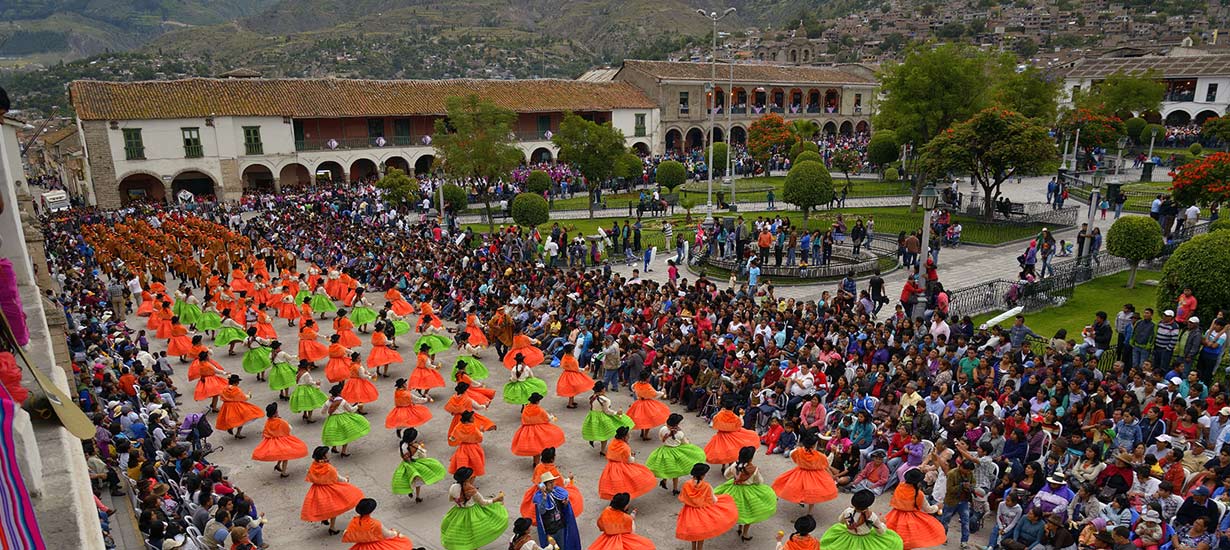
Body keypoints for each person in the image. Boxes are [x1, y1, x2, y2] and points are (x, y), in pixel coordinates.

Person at [713, 446, 778, 542]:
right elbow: (760, 481)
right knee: (749, 512)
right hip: (749, 491)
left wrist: (735, 477)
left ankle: (739, 528)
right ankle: (745, 533)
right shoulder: (754, 469)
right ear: (751, 458)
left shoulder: (734, 465)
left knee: (739, 509)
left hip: (734, 489)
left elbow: (726, 475)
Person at [440, 467, 509, 550]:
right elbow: (483, 503)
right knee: (474, 533)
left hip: (458, 511)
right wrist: (497, 499)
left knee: (462, 533)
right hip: (472, 512)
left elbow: (451, 499)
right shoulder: (472, 490)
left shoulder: (453, 487)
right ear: (468, 478)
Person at [301, 446, 364, 535]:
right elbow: (338, 478)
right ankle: (332, 527)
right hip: (329, 489)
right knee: (333, 508)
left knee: (323, 506)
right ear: (323, 457)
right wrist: (346, 480)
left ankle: (324, 518)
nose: (328, 454)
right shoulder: (329, 468)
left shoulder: (313, 466)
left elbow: (310, 476)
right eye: (327, 453)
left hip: (317, 489)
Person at [675, 463, 739, 550]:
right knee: (701, 532)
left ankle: (693, 548)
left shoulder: (686, 484)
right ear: (702, 475)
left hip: (689, 511)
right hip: (702, 512)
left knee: (694, 532)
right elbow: (714, 500)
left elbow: (682, 498)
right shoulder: (707, 486)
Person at [772, 434, 839, 515]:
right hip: (815, 475)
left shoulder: (798, 451)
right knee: (813, 495)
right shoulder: (819, 456)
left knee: (796, 487)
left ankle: (799, 500)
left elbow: (793, 456)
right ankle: (809, 512)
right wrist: (832, 453)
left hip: (800, 472)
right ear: (814, 445)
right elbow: (827, 463)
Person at [818, 489, 905, 550]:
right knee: (894, 541)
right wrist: (882, 523)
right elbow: (881, 532)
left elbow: (840, 521)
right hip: (866, 539)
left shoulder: (848, 511)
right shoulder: (872, 516)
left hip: (846, 538)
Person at [646, 413, 710, 495]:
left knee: (665, 467)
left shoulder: (663, 429)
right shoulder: (680, 433)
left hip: (665, 449)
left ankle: (664, 480)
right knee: (675, 471)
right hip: (676, 451)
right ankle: (675, 489)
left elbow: (661, 439)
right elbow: (685, 443)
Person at [883, 469, 945, 550]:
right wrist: (938, 507)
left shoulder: (899, 487)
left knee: (894, 540)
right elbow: (928, 509)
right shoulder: (919, 494)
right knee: (907, 543)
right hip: (911, 519)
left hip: (895, 516)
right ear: (918, 482)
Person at [598, 426, 658, 500]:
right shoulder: (625, 447)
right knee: (628, 486)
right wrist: (632, 456)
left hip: (611, 467)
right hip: (622, 467)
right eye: (628, 435)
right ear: (624, 437)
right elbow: (630, 460)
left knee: (614, 485)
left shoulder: (613, 442)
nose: (629, 436)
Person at [251, 402, 308, 478]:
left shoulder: (268, 422)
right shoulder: (280, 421)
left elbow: (265, 432)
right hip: (282, 440)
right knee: (285, 455)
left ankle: (278, 465)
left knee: (282, 454)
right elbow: (289, 428)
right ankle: (283, 472)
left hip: (272, 441)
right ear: (275, 413)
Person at [390, 428, 445, 503]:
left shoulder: (402, 445)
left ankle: (409, 491)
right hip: (415, 464)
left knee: (407, 478)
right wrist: (421, 448)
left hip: (405, 464)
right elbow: (423, 456)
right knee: (417, 482)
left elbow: (401, 455)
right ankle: (418, 496)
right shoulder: (416, 446)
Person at [703, 395, 760, 464]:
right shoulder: (735, 417)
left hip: (721, 435)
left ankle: (724, 464)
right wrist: (741, 415)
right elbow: (741, 424)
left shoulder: (718, 415)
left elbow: (713, 423)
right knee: (751, 436)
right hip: (733, 435)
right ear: (733, 408)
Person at [511, 393, 567, 464]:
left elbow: (523, 419)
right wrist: (554, 418)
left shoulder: (525, 409)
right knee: (540, 446)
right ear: (537, 401)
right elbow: (547, 418)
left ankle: (535, 462)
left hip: (528, 430)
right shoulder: (539, 410)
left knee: (534, 447)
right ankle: (537, 463)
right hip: (540, 429)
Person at [530, 472, 581, 550]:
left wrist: (565, 503)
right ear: (544, 485)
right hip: (549, 531)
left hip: (560, 527)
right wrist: (544, 498)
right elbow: (542, 511)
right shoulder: (540, 497)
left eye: (553, 482)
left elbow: (564, 507)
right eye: (550, 483)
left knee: (562, 547)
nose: (553, 484)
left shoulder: (557, 492)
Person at [341, 498, 415, 550]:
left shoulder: (354, 521)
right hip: (377, 546)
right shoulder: (375, 523)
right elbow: (388, 535)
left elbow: (347, 534)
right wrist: (396, 533)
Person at [582, 382, 634, 455]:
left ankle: (602, 450)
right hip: (602, 416)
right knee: (606, 433)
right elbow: (607, 411)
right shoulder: (605, 400)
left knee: (601, 433)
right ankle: (604, 450)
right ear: (603, 389)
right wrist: (616, 413)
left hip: (593, 416)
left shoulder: (592, 397)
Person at [321, 383, 371, 457]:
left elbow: (322, 412)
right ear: (339, 393)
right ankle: (343, 452)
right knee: (345, 435)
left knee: (335, 434)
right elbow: (351, 410)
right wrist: (357, 406)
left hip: (332, 419)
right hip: (343, 418)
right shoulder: (342, 401)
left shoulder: (328, 402)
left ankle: (334, 448)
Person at [589, 493, 654, 550]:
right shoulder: (627, 518)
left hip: (607, 538)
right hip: (624, 540)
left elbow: (600, 526)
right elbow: (632, 531)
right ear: (625, 506)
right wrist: (631, 517)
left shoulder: (606, 511)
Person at [939, 459, 976, 549]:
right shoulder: (952, 474)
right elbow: (950, 489)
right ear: (961, 467)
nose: (968, 472)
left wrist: (970, 486)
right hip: (952, 500)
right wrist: (961, 486)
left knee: (965, 521)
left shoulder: (970, 474)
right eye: (967, 470)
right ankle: (942, 537)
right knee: (945, 520)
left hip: (964, 500)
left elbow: (974, 483)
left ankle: (964, 541)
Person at [214, 375, 263, 439]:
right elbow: (243, 398)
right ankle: (238, 433)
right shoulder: (236, 389)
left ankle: (230, 427)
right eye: (238, 382)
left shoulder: (225, 388)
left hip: (226, 406)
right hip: (236, 406)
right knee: (242, 419)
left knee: (231, 418)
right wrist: (249, 395)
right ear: (235, 382)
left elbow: (221, 396)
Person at [626, 371, 670, 440]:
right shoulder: (648, 386)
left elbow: (632, 388)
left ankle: (642, 432)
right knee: (648, 420)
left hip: (639, 402)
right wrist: (662, 392)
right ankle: (645, 435)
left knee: (642, 418)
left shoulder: (636, 384)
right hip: (647, 403)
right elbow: (655, 394)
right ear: (646, 378)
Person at [554, 344, 593, 409]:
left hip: (566, 374)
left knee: (571, 389)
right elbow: (577, 369)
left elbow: (562, 365)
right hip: (572, 375)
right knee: (573, 389)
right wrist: (585, 369)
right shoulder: (573, 360)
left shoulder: (565, 356)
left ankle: (571, 402)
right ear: (571, 351)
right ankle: (570, 403)